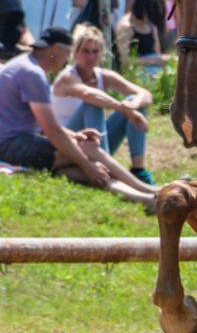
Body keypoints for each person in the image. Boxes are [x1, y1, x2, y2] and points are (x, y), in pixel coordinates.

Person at [0, 25, 156, 207]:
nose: (67, 60)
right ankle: (149, 189)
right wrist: (87, 165)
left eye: (95, 51)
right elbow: (52, 130)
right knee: (88, 150)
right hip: (13, 147)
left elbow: (38, 123)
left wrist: (73, 135)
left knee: (71, 170)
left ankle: (146, 199)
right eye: (68, 53)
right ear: (55, 50)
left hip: (11, 146)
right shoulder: (33, 74)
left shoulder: (22, 64)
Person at [52, 23, 155, 184]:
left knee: (134, 101)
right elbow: (88, 94)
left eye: (95, 51)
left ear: (102, 53)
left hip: (93, 143)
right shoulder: (67, 77)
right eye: (85, 51)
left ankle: (138, 170)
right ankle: (107, 167)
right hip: (67, 145)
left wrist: (133, 105)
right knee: (93, 103)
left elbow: (145, 94)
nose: (91, 57)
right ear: (75, 52)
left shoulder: (104, 76)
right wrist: (124, 109)